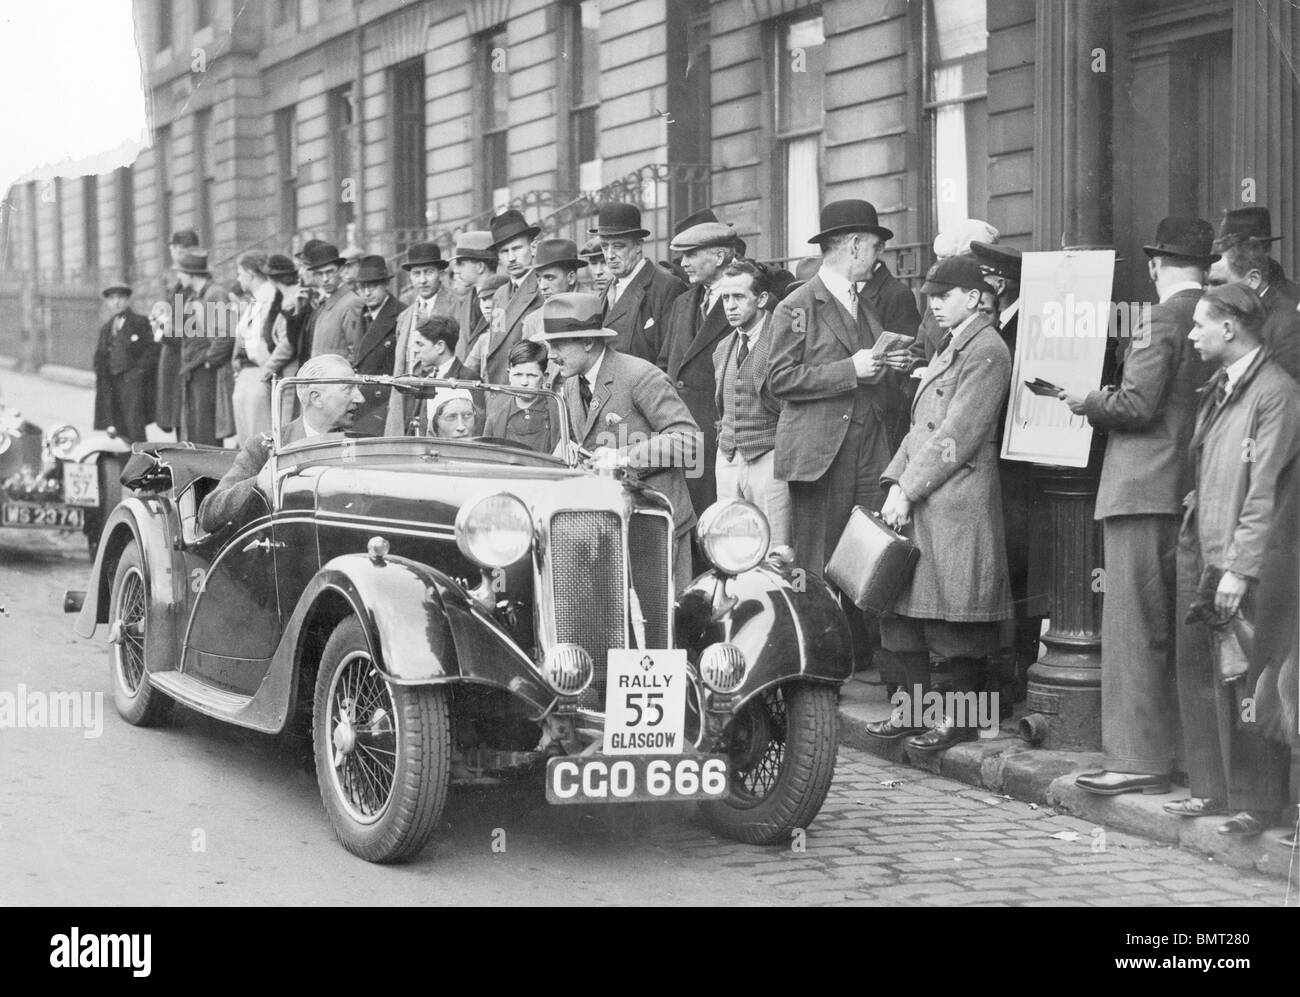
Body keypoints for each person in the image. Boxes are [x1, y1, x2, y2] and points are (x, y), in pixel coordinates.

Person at [1065, 216, 1218, 796]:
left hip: (1140, 488)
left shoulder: (1161, 317)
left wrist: (1088, 401)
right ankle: (1174, 756)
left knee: (1132, 628)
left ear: (1156, 265)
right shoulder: (1214, 313)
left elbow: (1135, 405)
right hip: (1185, 486)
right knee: (1175, 630)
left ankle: (1134, 760)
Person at [1171, 283, 1299, 835]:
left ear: (1230, 328)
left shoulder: (1276, 392)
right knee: (1208, 676)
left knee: (1249, 678)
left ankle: (1259, 801)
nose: (1192, 333)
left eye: (1200, 323)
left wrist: (1240, 569)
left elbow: (1266, 488)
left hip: (1244, 560)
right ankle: (1215, 790)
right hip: (1206, 547)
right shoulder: (1224, 385)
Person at [870, 256, 1013, 750]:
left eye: (944, 295)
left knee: (956, 619)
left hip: (956, 499)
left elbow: (958, 434)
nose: (933, 303)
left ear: (974, 298)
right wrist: (896, 485)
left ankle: (962, 720)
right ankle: (913, 713)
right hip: (927, 495)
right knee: (907, 613)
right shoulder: (956, 344)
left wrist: (907, 490)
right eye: (930, 295)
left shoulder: (987, 349)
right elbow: (919, 428)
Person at [768, 199, 906, 579]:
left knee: (869, 558)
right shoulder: (796, 307)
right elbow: (779, 379)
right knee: (820, 567)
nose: (879, 257)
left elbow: (867, 368)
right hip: (821, 459)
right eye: (876, 247)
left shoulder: (864, 304)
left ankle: (862, 641)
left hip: (869, 449)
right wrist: (851, 369)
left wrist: (889, 365)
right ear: (856, 245)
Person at [543, 292, 701, 590]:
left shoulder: (640, 376)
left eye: (558, 345)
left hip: (656, 525)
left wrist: (623, 456)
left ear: (588, 342)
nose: (551, 355)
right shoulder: (570, 383)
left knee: (664, 625)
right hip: (609, 528)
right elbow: (583, 442)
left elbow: (689, 441)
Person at [198, 354, 364, 533]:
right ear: (316, 398)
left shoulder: (363, 446)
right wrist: (264, 482)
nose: (360, 398)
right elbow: (209, 514)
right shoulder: (262, 447)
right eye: (348, 389)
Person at [659, 221, 738, 521]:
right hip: (682, 433)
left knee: (718, 522)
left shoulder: (744, 300)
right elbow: (667, 363)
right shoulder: (683, 302)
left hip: (721, 437)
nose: (683, 263)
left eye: (691, 254)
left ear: (719, 257)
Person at [711, 260, 789, 550]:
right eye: (725, 298)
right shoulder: (722, 349)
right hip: (729, 457)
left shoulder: (782, 339)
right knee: (730, 546)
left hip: (769, 458)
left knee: (775, 548)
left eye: (739, 297)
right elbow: (722, 406)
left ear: (762, 299)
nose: (730, 306)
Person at [594, 203, 687, 363]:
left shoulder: (667, 287)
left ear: (638, 246)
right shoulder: (607, 290)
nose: (609, 255)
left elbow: (670, 358)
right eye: (604, 247)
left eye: (618, 246)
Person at [1209, 232, 1300, 383]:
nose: (1208, 293)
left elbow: (1282, 396)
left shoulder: (1289, 325)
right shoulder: (1238, 313)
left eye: (1218, 283)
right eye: (1206, 284)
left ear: (1253, 279)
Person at [467, 209, 544, 385]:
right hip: (499, 387)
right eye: (504, 251)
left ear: (533, 247)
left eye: (517, 248)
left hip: (527, 388)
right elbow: (495, 346)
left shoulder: (543, 288)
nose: (511, 258)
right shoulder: (500, 294)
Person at [175, 252, 235, 447]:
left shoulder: (215, 294)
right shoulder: (196, 296)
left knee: (206, 430)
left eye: (181, 273)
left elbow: (225, 335)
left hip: (207, 371)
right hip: (195, 369)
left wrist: (210, 360)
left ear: (192, 274)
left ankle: (211, 476)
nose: (179, 277)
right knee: (195, 429)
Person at [92, 282, 156, 443]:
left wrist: (137, 373)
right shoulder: (106, 328)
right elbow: (101, 355)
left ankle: (141, 466)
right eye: (112, 298)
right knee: (117, 430)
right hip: (112, 384)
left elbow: (152, 351)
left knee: (135, 428)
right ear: (107, 302)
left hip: (132, 384)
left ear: (127, 300)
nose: (116, 302)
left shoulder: (140, 322)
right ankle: (123, 466)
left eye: (120, 297)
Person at [230, 252, 281, 445]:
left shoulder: (270, 296)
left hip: (260, 370)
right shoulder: (256, 300)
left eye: (240, 273)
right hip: (247, 373)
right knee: (247, 434)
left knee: (258, 435)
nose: (238, 278)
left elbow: (263, 337)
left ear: (250, 274)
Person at [386, 314, 465, 437]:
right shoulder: (429, 376)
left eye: (420, 344)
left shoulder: (466, 379)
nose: (415, 350)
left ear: (440, 346)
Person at [155, 228, 200, 435]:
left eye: (175, 249)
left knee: (184, 422)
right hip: (174, 357)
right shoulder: (181, 285)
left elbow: (188, 327)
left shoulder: (191, 285)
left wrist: (165, 326)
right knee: (179, 422)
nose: (173, 253)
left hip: (182, 357)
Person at [350, 255, 402, 433]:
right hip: (362, 400)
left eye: (372, 286)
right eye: (362, 287)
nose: (366, 293)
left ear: (386, 285)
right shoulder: (363, 314)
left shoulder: (400, 314)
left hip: (384, 402)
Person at [483, 340, 561, 454]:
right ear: (509, 374)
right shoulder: (495, 416)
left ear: (544, 378)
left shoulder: (558, 411)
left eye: (531, 375)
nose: (524, 382)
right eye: (518, 375)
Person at [302, 241, 364, 362]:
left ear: (340, 270)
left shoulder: (352, 302)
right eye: (319, 274)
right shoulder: (323, 303)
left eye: (330, 272)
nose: (325, 279)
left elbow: (356, 353)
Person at [446, 230, 498, 362]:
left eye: (461, 264)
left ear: (480, 266)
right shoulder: (467, 300)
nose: (456, 270)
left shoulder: (503, 296)